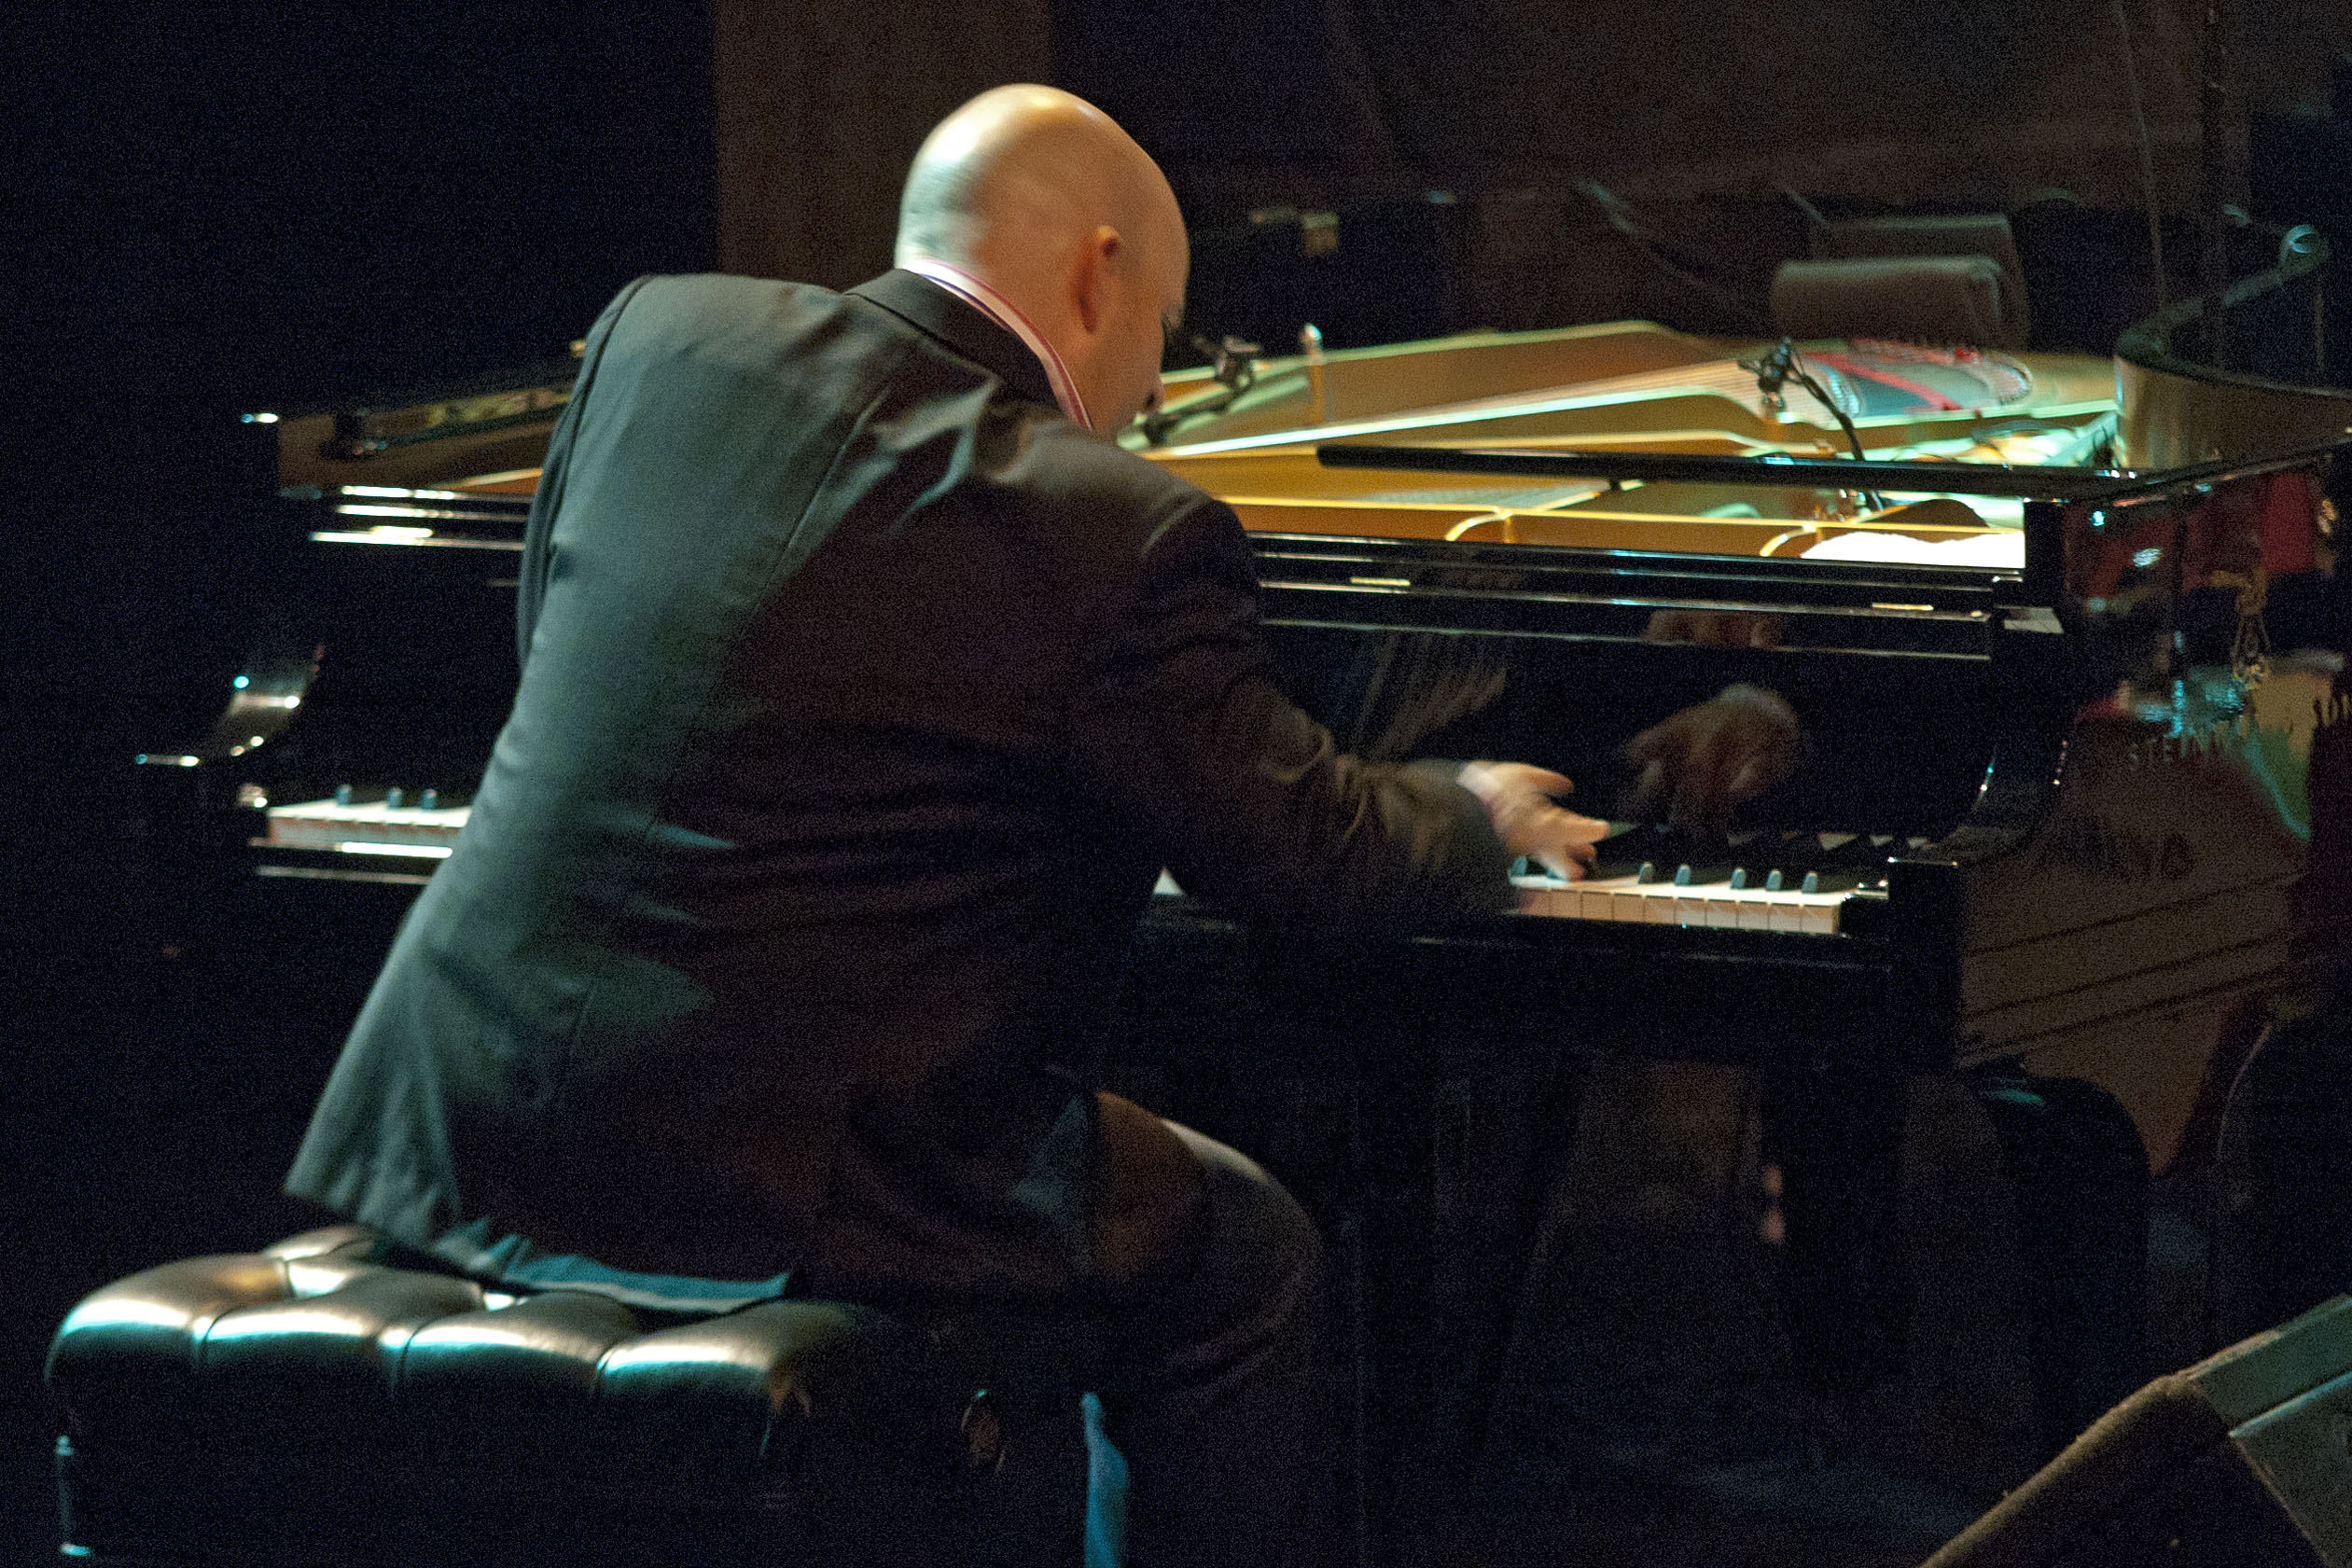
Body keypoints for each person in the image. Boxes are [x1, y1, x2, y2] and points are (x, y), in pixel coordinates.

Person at [284, 84, 1788, 1563]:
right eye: (1170, 331)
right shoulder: (1107, 523)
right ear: (1100, 272)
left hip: (460, 1118)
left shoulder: (656, 340)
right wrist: (1466, 809)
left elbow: (555, 661)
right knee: (1250, 1255)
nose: (1155, 378)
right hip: (779, 1189)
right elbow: (1308, 853)